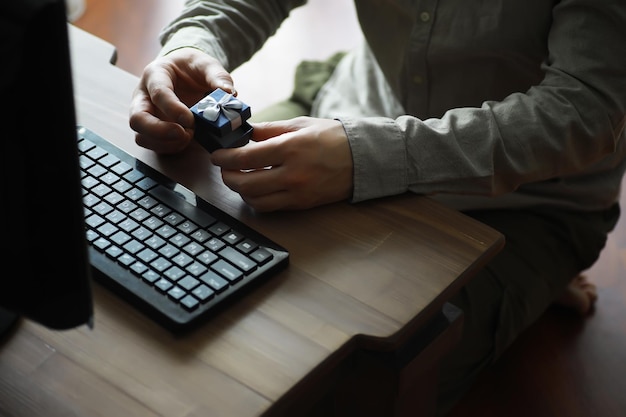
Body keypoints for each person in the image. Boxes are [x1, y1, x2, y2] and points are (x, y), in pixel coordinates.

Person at [129, 0, 626, 414]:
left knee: (345, 384)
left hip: (523, 203)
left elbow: (587, 110)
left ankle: (541, 274)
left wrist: (365, 158)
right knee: (169, 242)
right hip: (346, 110)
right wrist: (192, 43)